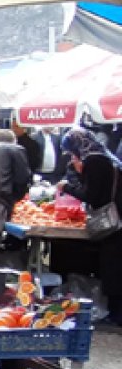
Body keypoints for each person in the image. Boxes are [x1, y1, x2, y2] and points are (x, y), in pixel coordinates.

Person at [60, 129, 122, 325]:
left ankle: (116, 314)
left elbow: (92, 196)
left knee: (113, 268)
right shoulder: (106, 157)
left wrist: (67, 187)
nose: (71, 157)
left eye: (71, 152)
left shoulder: (94, 162)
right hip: (118, 218)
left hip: (114, 224)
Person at [0, 128, 33, 220]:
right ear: (15, 140)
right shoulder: (16, 149)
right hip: (2, 197)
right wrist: (16, 197)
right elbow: (22, 177)